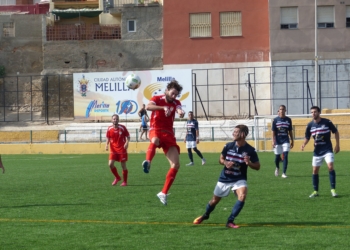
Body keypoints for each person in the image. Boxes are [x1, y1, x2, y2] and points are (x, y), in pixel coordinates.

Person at [193, 125, 260, 229]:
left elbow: (257, 166)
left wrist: (249, 163)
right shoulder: (228, 146)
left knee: (242, 196)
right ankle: (205, 215)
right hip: (225, 178)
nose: (233, 133)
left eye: (236, 132)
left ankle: (230, 221)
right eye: (233, 131)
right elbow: (220, 159)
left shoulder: (250, 150)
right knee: (214, 201)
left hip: (239, 178)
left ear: (243, 134)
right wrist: (225, 162)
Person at [141, 80, 185, 205]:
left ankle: (163, 193)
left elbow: (179, 109)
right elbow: (148, 106)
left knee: (176, 165)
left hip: (169, 134)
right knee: (155, 140)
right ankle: (148, 162)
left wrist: (181, 113)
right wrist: (163, 107)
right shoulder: (157, 98)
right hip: (156, 129)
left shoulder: (176, 102)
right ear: (166, 91)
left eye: (176, 94)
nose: (174, 96)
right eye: (172, 93)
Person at [301, 106, 340, 198]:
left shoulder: (327, 122)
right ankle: (315, 191)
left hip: (327, 149)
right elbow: (307, 137)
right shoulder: (310, 125)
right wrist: (304, 144)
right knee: (315, 170)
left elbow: (336, 132)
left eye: (315, 112)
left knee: (330, 166)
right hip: (317, 151)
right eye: (312, 112)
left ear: (319, 113)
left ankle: (333, 190)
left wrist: (337, 145)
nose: (313, 113)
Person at [105, 114, 130, 187]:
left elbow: (128, 136)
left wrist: (126, 143)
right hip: (113, 149)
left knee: (123, 165)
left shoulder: (122, 127)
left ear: (118, 120)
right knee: (110, 164)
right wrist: (106, 144)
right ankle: (117, 177)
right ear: (111, 120)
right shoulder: (109, 128)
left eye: (116, 119)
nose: (115, 120)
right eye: (114, 119)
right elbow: (108, 138)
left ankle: (125, 182)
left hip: (122, 149)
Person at [272, 105, 294, 178]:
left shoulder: (288, 120)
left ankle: (284, 173)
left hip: (285, 140)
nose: (281, 110)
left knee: (285, 156)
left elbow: (290, 131)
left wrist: (292, 140)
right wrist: (273, 141)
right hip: (277, 141)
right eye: (280, 109)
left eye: (283, 109)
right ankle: (277, 167)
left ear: (285, 110)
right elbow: (273, 131)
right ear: (279, 110)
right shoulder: (275, 120)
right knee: (277, 157)